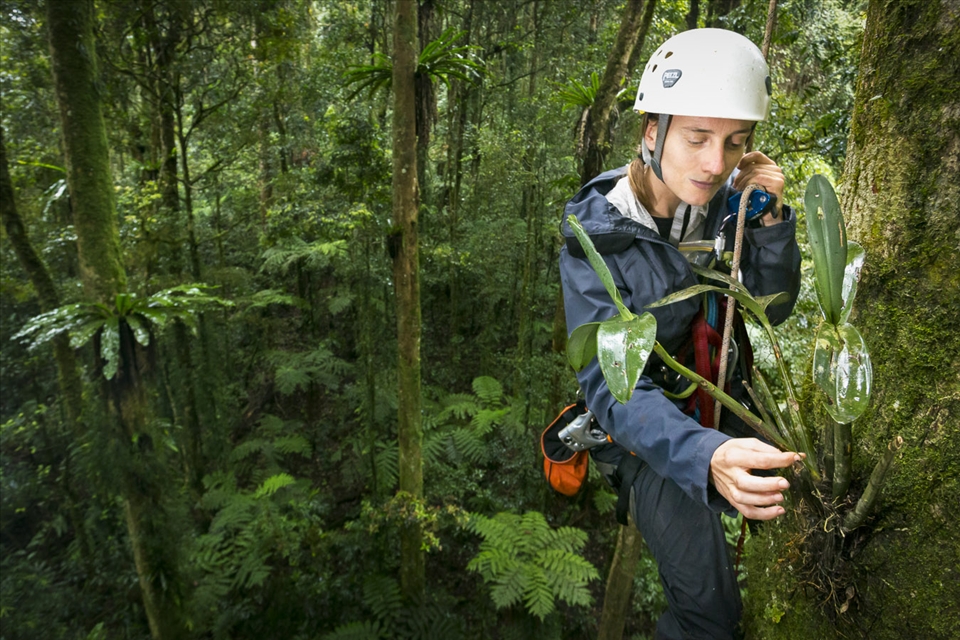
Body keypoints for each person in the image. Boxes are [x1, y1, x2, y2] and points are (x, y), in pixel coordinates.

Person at [559, 29, 803, 639]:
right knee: (709, 614)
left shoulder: (726, 201)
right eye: (697, 138)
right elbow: (611, 388)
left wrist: (766, 221)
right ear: (652, 132)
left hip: (719, 397)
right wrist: (707, 455)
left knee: (811, 501)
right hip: (646, 435)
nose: (715, 163)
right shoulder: (596, 235)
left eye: (734, 143)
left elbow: (771, 311)